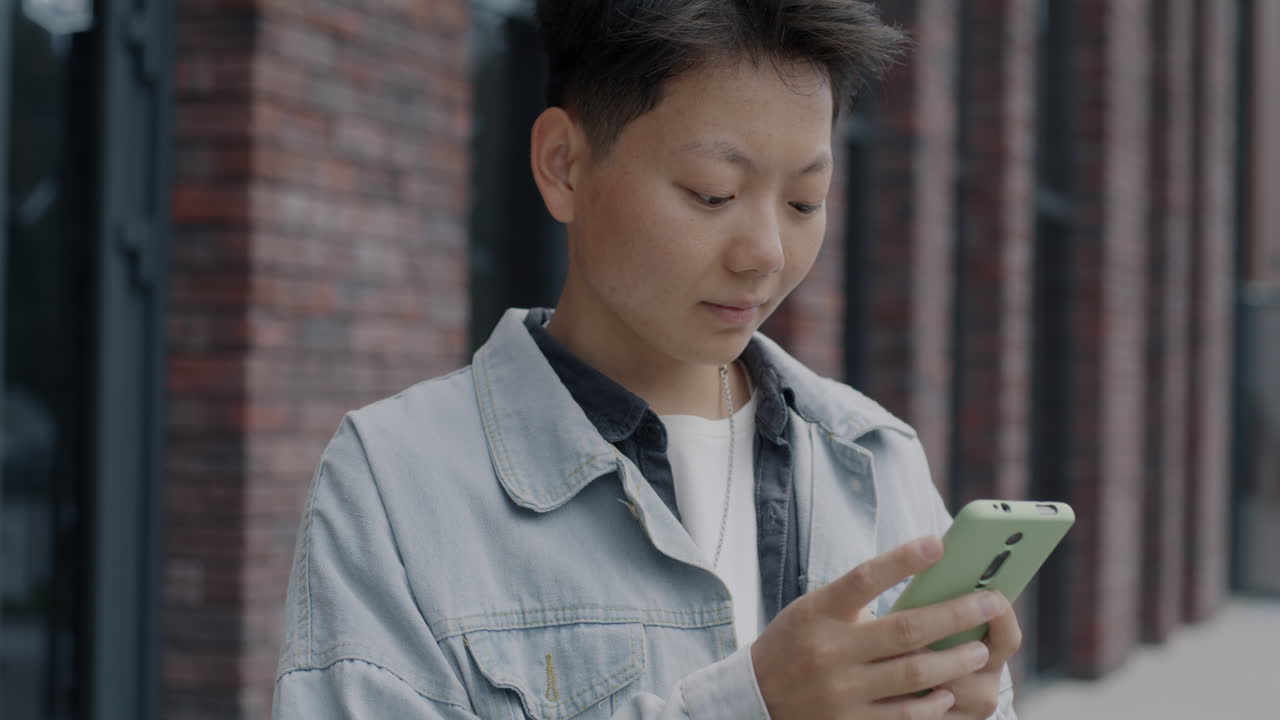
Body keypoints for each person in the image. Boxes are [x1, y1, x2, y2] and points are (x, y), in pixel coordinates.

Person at [272, 1, 1020, 718]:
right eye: (713, 194)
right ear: (564, 164)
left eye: (803, 202)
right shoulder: (398, 478)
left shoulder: (873, 457)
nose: (765, 254)